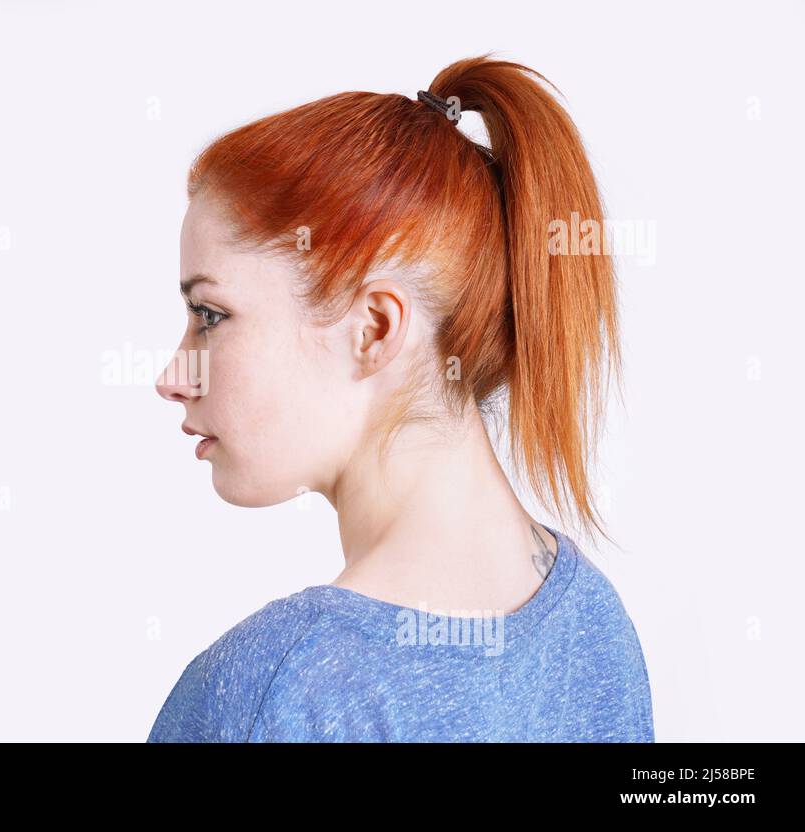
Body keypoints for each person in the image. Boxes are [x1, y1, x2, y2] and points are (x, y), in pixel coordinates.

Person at [149, 55, 654, 742]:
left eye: (210, 315)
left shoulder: (273, 692)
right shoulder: (595, 628)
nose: (173, 376)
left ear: (374, 328)